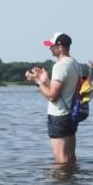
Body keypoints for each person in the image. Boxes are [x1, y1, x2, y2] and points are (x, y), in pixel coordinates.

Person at [25, 32, 81, 164]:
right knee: (70, 156)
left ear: (60, 47)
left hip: (59, 116)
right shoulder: (75, 63)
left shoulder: (60, 66)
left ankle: (60, 178)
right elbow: (63, 91)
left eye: (52, 45)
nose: (49, 48)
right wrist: (46, 80)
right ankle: (72, 177)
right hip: (71, 114)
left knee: (61, 158)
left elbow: (52, 96)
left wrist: (37, 81)